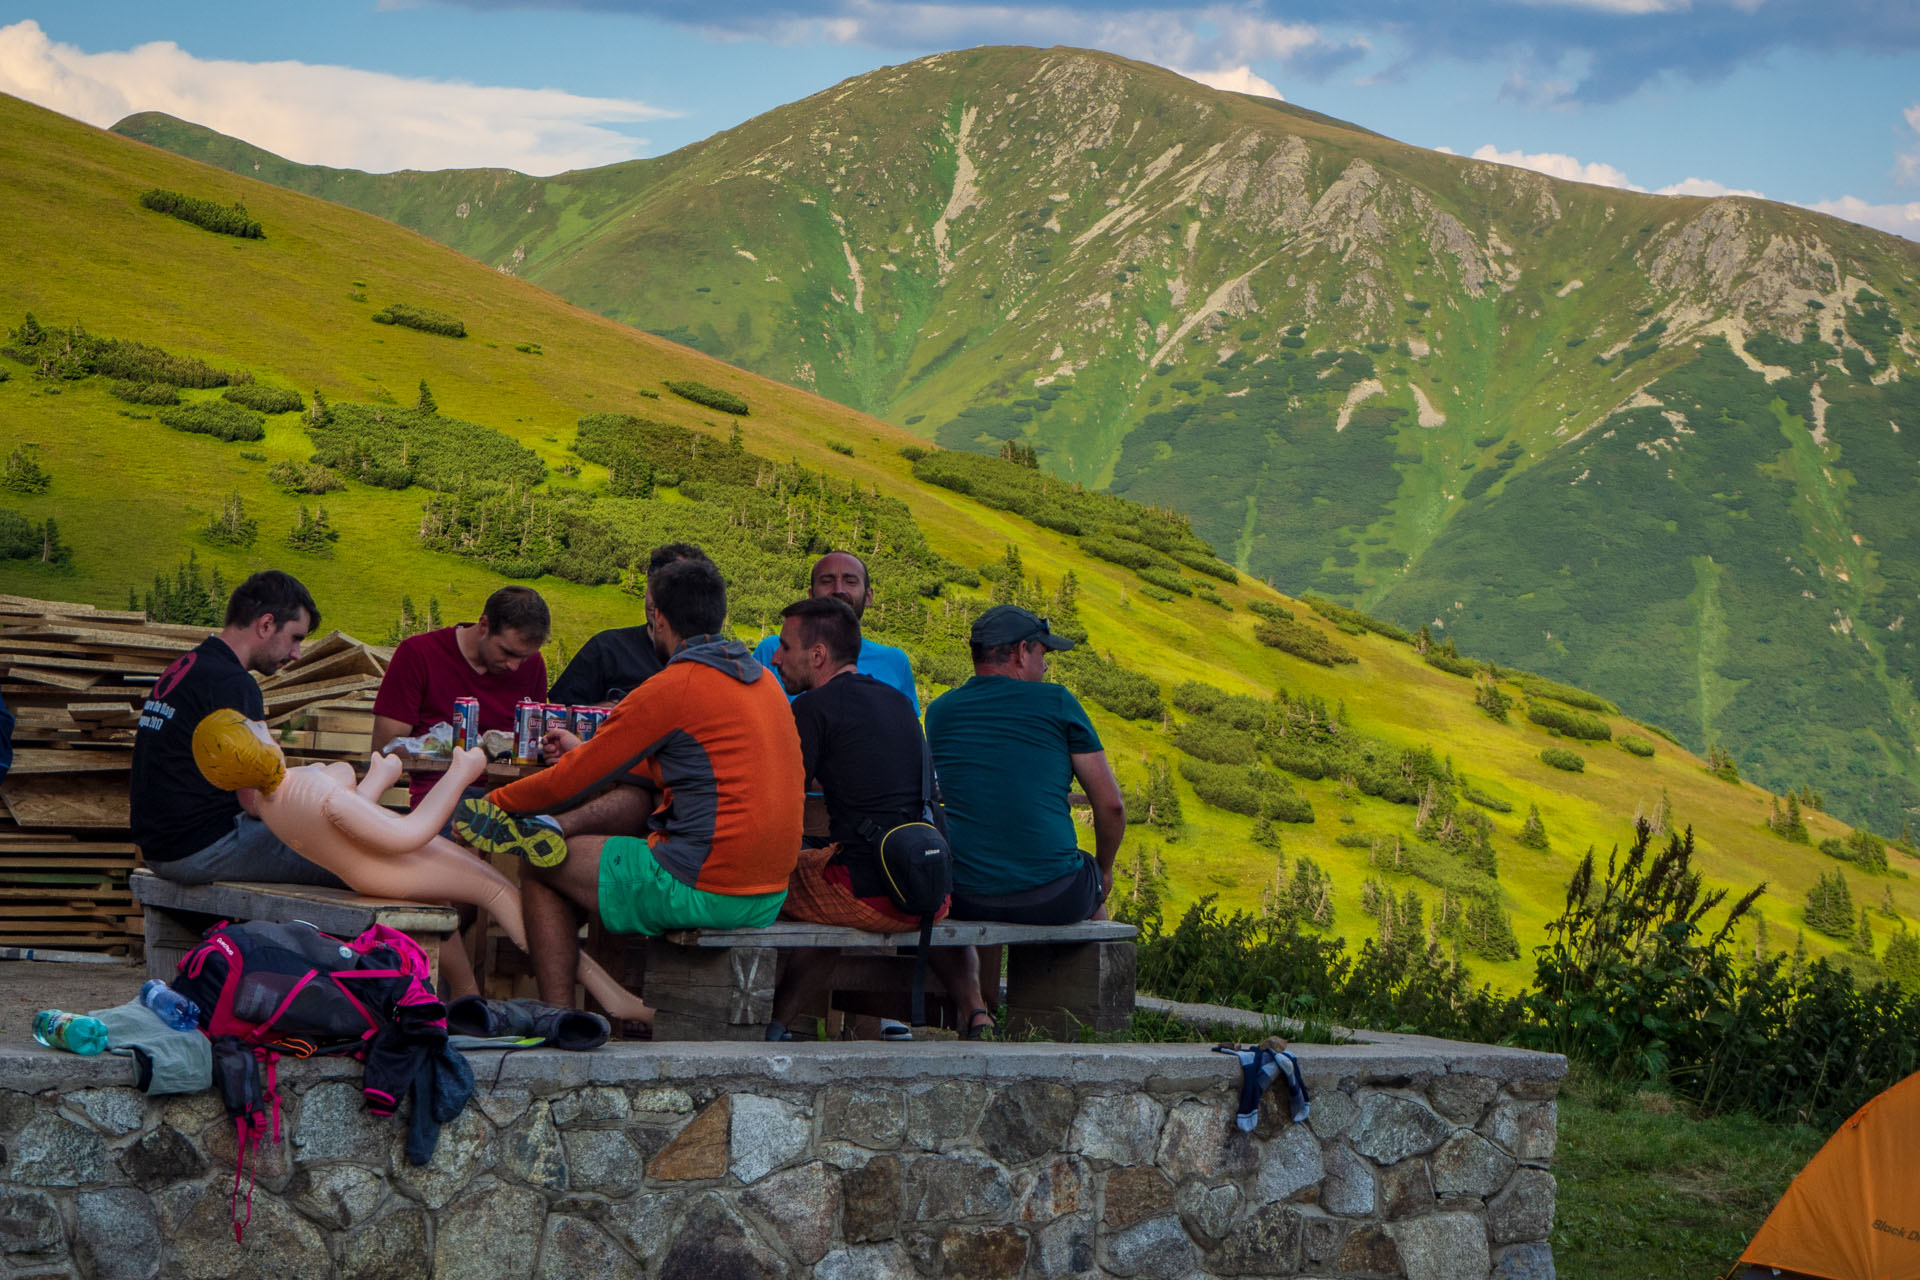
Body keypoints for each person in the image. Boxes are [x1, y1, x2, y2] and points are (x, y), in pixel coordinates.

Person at [453, 557, 805, 1010]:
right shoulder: (763, 682)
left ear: (656, 616)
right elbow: (661, 768)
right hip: (769, 891)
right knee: (589, 850)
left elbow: (570, 782)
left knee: (540, 864)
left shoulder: (672, 686)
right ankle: (602, 1003)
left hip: (706, 888)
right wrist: (584, 750)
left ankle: (559, 1017)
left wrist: (495, 801)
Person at [922, 603, 1127, 1038]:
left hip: (963, 893)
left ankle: (976, 1011)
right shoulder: (1056, 702)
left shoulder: (939, 712)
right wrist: (1104, 870)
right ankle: (1074, 1029)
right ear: (1019, 652)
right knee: (1095, 899)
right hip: (1052, 895)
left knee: (940, 911)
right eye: (1041, 653)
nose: (1045, 663)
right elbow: (1110, 807)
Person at [763, 596, 948, 1041]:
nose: (774, 657)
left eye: (785, 647)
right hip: (930, 893)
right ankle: (778, 1026)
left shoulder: (811, 708)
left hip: (871, 895)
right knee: (823, 872)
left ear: (818, 655)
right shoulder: (897, 703)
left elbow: (782, 806)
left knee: (747, 884)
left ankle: (747, 1022)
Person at [130, 570, 344, 887]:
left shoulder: (189, 666)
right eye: (296, 638)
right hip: (202, 849)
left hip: (162, 846)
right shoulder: (233, 684)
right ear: (266, 624)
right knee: (348, 857)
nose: (297, 654)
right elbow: (256, 802)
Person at [371, 585, 550, 807]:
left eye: (524, 657)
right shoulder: (418, 654)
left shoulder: (533, 666)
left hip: (510, 796)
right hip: (442, 795)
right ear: (484, 625)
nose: (515, 666)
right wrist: (440, 752)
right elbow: (385, 750)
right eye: (508, 652)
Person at [753, 550, 919, 713]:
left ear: (868, 596)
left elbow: (911, 734)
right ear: (811, 594)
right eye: (826, 581)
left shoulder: (895, 661)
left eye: (851, 581)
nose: (839, 589)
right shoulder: (772, 651)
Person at [546, 543, 710, 706]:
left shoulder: (714, 662)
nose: (658, 603)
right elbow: (557, 713)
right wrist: (614, 712)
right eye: (654, 590)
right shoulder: (606, 648)